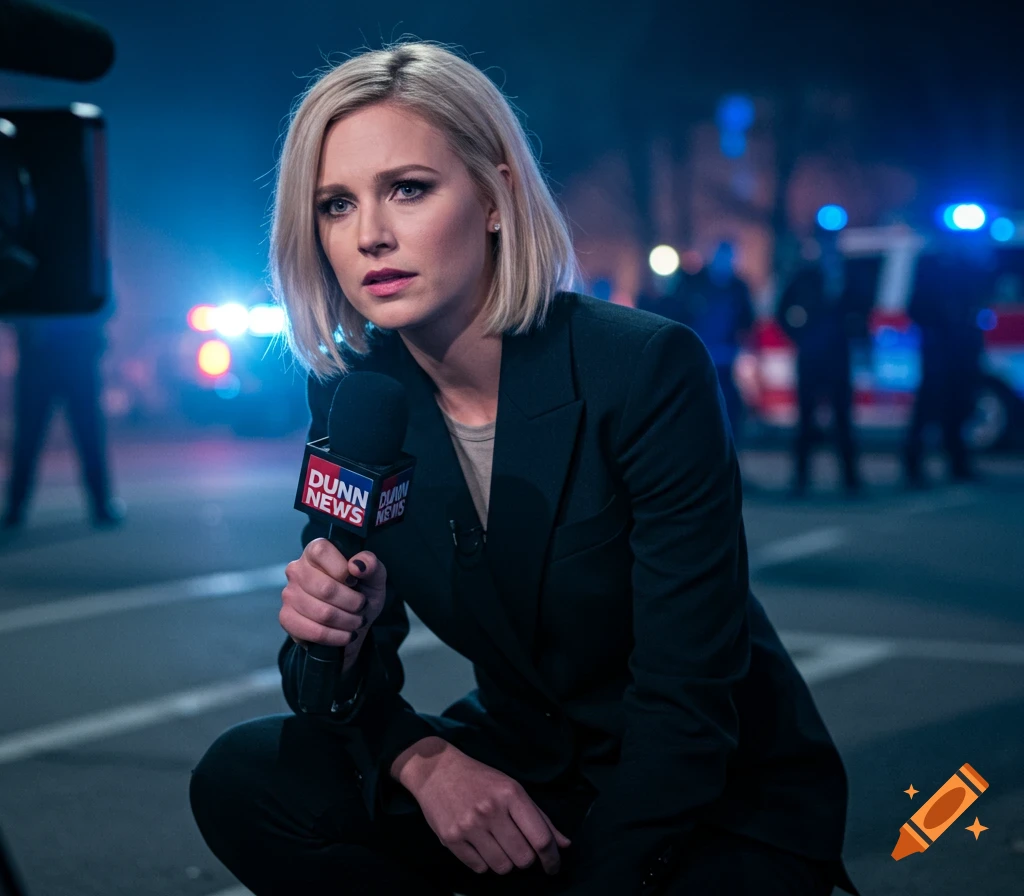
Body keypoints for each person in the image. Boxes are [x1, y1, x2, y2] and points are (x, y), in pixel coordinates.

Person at [189, 42, 856, 896]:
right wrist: (418, 755)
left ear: (497, 194)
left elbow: (688, 703)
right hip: (530, 764)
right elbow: (325, 689)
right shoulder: (360, 400)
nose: (370, 235)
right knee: (248, 776)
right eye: (335, 205)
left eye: (408, 189)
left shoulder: (644, 369)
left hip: (709, 793)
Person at [0, 311, 124, 529]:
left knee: (80, 433)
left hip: (55, 355)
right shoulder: (80, 276)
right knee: (80, 433)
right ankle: (100, 503)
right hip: (59, 354)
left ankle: (15, 508)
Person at [776, 230, 867, 496]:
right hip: (812, 358)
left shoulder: (847, 277)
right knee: (806, 420)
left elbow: (862, 310)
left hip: (839, 357)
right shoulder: (804, 277)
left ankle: (850, 479)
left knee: (843, 420)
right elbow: (781, 311)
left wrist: (854, 333)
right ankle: (801, 479)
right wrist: (801, 337)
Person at [902, 241, 991, 486]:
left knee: (959, 409)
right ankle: (913, 465)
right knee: (926, 411)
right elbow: (915, 308)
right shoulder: (929, 268)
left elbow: (982, 299)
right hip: (937, 354)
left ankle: (958, 462)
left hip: (962, 353)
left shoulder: (969, 269)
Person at [666, 242, 755, 445]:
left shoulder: (738, 287)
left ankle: (729, 452)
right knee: (698, 405)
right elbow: (676, 313)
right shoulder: (694, 284)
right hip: (698, 357)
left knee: (728, 407)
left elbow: (747, 320)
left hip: (725, 358)